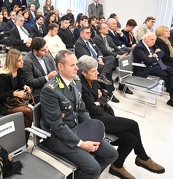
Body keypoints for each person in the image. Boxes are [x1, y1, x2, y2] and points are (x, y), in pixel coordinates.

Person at [77, 55, 165, 178]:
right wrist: (99, 100)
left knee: (131, 139)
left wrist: (99, 100)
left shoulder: (92, 79)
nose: (97, 72)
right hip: (95, 120)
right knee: (133, 124)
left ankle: (117, 166)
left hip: (102, 113)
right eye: (93, 71)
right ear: (84, 73)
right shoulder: (80, 85)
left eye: (96, 69)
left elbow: (107, 94)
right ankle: (142, 157)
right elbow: (92, 109)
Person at [40, 50, 118, 179]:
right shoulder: (50, 90)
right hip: (58, 137)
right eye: (72, 65)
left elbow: (82, 111)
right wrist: (81, 144)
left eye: (76, 64)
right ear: (60, 66)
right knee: (93, 168)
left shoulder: (76, 83)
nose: (77, 68)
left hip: (78, 129)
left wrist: (92, 132)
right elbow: (57, 125)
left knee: (112, 154)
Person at [0, 49, 33, 143]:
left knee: (27, 117)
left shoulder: (19, 72)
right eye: (19, 60)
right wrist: (14, 93)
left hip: (12, 102)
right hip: (1, 105)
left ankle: (22, 142)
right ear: (13, 62)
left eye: (22, 59)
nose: (22, 62)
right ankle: (25, 139)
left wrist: (25, 86)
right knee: (28, 111)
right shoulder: (2, 76)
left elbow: (19, 85)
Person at [132, 32, 173, 110]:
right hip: (146, 68)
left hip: (157, 65)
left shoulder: (152, 44)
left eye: (154, 40)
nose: (154, 42)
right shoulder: (139, 47)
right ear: (145, 39)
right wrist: (154, 56)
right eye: (152, 40)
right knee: (170, 76)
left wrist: (154, 55)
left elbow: (161, 53)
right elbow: (147, 60)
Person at [75, 26, 119, 102]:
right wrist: (97, 61)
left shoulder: (90, 40)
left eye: (90, 32)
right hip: (89, 64)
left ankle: (103, 75)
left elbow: (98, 50)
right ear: (81, 34)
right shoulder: (79, 43)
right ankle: (109, 93)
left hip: (97, 59)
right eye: (87, 33)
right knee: (108, 70)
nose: (89, 34)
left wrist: (100, 58)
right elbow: (87, 57)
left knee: (111, 58)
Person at [22, 37, 56, 103]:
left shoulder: (48, 56)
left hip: (52, 87)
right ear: (35, 51)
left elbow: (55, 71)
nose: (46, 51)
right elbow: (30, 82)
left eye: (47, 48)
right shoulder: (27, 61)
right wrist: (47, 78)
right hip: (37, 92)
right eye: (43, 50)